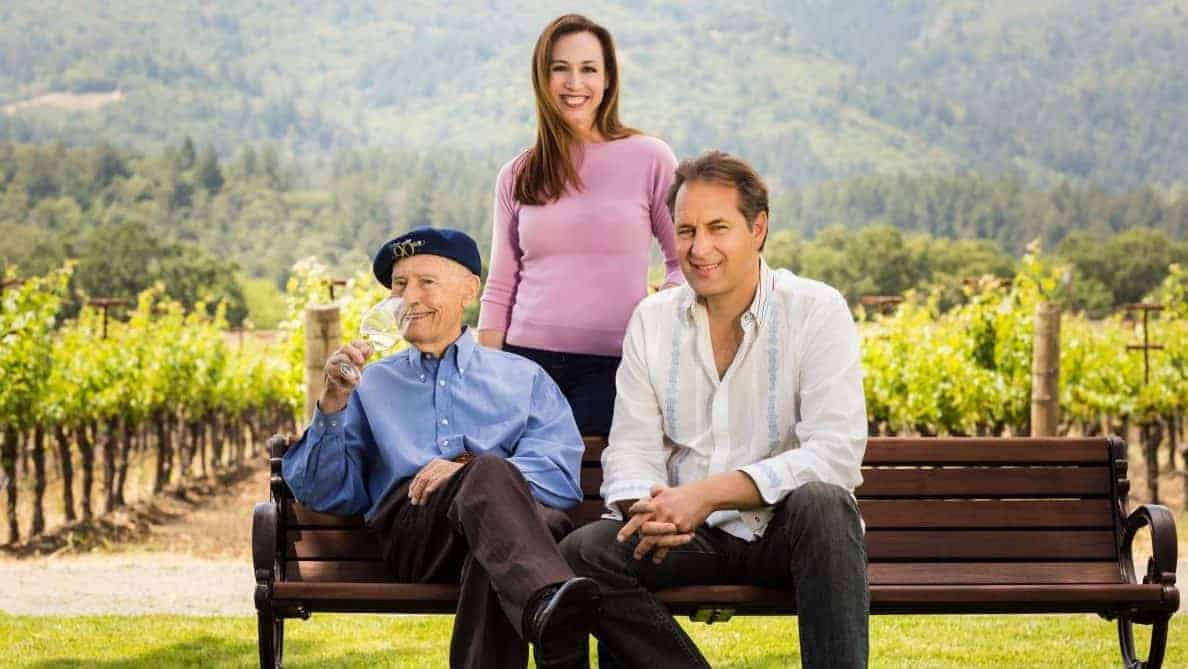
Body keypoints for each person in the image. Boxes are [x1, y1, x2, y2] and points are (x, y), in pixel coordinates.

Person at [559, 152, 870, 668]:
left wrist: (706, 495)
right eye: (686, 231)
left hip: (782, 534)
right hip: (686, 539)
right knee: (583, 552)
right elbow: (632, 446)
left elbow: (835, 454)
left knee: (825, 503)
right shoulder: (653, 320)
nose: (699, 249)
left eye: (718, 228)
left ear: (759, 228)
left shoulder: (816, 309)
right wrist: (647, 508)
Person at [282, 226, 600, 669]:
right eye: (399, 285)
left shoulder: (522, 377)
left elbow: (561, 481)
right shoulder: (368, 384)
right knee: (494, 478)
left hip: (509, 546)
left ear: (469, 289)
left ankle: (545, 607)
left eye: (425, 282)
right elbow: (321, 491)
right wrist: (332, 404)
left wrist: (466, 475)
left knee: (495, 538)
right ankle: (549, 601)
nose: (409, 297)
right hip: (416, 535)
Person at [477, 13, 683, 436]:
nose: (575, 83)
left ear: (607, 80)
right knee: (525, 491)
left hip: (618, 366)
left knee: (598, 491)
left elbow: (682, 263)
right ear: (542, 78)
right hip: (524, 364)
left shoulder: (651, 158)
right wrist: (486, 376)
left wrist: (654, 319)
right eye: (561, 69)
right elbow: (500, 285)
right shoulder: (517, 174)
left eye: (589, 69)